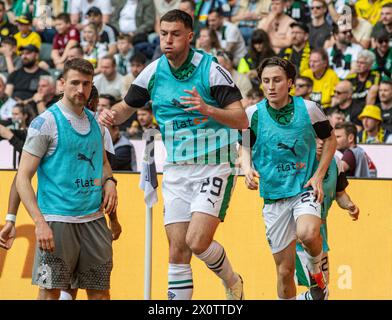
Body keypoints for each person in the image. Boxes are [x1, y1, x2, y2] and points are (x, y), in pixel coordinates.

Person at [99, 9, 248, 300]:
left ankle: (232, 281)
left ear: (190, 36)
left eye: (175, 34)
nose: (168, 40)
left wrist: (207, 109)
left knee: (197, 241)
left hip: (215, 164)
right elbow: (125, 107)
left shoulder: (211, 70)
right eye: (164, 33)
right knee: (177, 250)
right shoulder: (154, 71)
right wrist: (109, 114)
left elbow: (241, 119)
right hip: (177, 169)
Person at [15, 58, 118, 300]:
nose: (81, 90)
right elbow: (22, 178)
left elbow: (103, 163)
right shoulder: (45, 123)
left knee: (101, 295)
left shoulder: (96, 123)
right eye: (74, 83)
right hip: (56, 220)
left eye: (86, 84)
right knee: (50, 293)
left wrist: (110, 181)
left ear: (92, 85)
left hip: (93, 221)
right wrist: (39, 222)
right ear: (61, 84)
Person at [239, 57, 337, 300]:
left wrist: (318, 175)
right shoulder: (253, 114)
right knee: (284, 272)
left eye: (277, 80)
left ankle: (316, 272)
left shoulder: (309, 109)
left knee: (307, 232)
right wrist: (246, 168)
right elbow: (244, 146)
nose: (271, 86)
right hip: (274, 197)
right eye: (266, 81)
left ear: (290, 83)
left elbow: (331, 139)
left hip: (304, 187)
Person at [295, 138, 360, 300]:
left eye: (324, 139)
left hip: (321, 236)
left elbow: (340, 193)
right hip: (300, 237)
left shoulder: (335, 162)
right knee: (320, 293)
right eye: (315, 138)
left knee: (322, 292)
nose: (320, 143)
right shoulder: (297, 161)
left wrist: (349, 205)